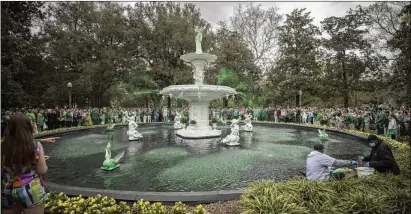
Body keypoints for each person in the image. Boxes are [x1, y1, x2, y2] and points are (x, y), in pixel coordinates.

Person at [1, 115, 48, 214]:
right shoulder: (35, 146)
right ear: (28, 127)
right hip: (30, 188)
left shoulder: (2, 146)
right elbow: (42, 170)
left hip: (7, 188)